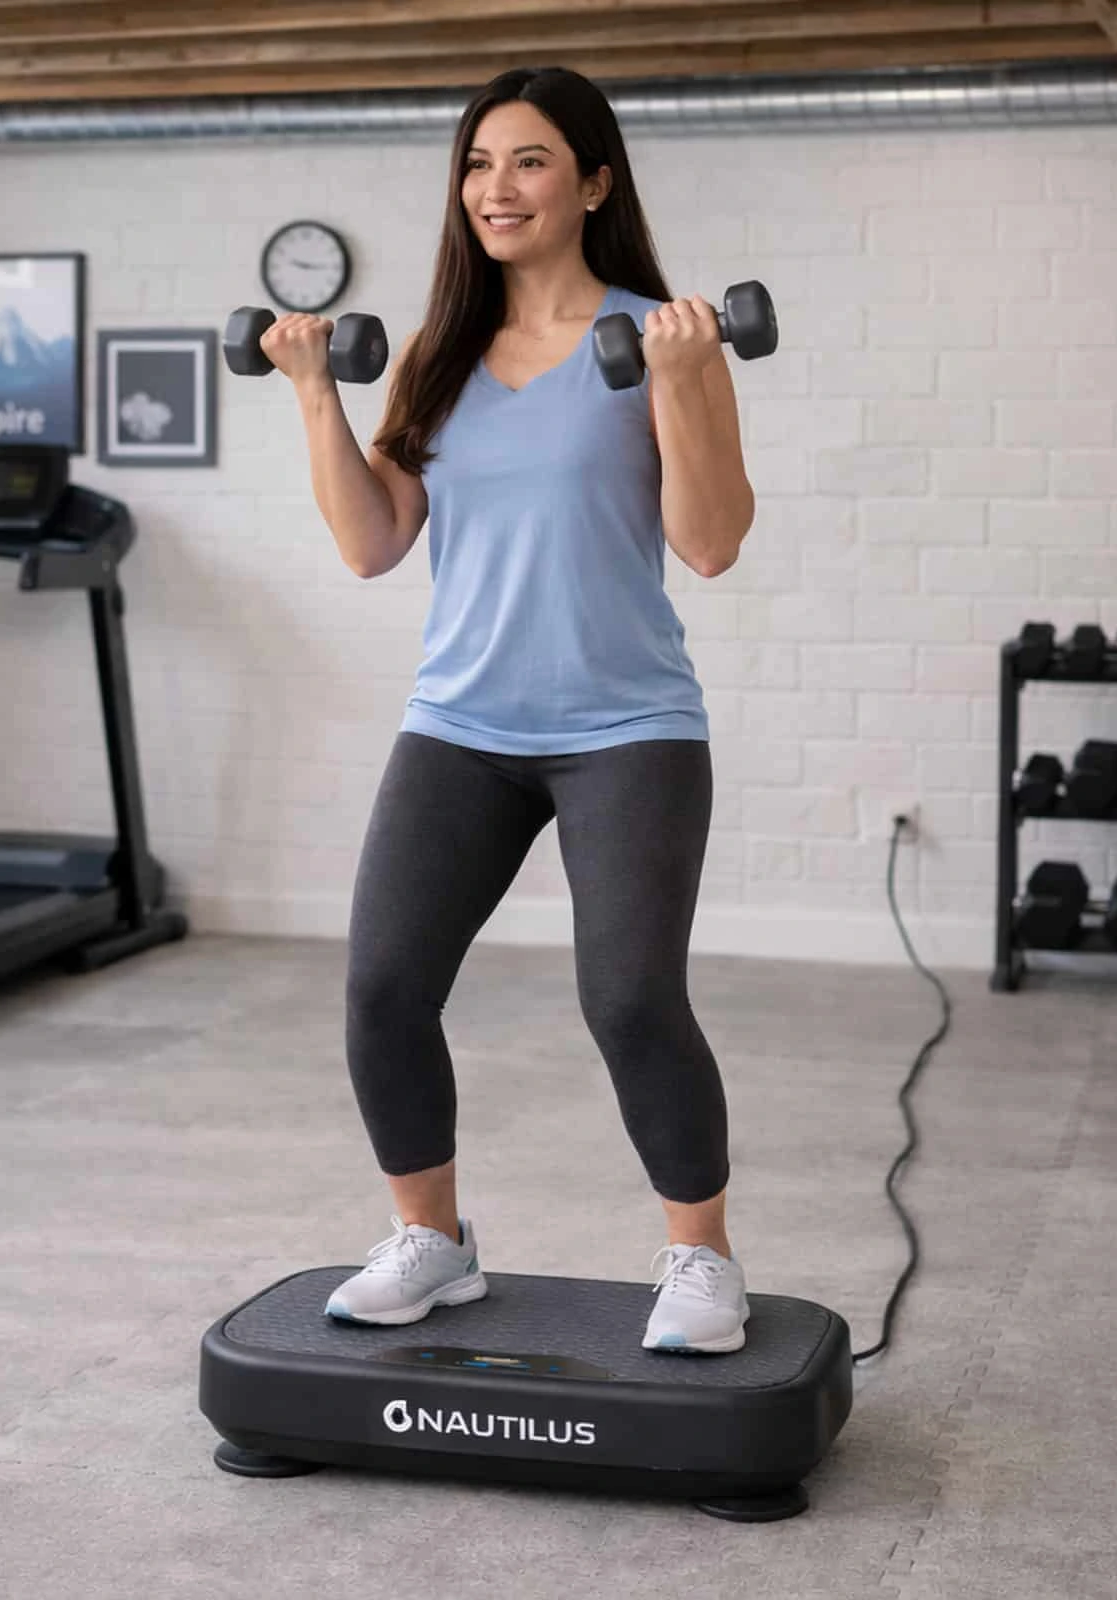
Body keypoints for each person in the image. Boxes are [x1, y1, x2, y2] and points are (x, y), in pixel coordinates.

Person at [255, 66, 756, 1353]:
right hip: (462, 726)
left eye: (529, 162)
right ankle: (435, 1239)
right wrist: (317, 391)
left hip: (628, 728)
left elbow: (711, 543)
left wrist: (688, 383)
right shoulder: (434, 357)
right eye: (479, 165)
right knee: (380, 986)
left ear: (593, 182)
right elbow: (371, 544)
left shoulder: (663, 337)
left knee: (633, 1000)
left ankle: (700, 1262)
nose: (497, 188)